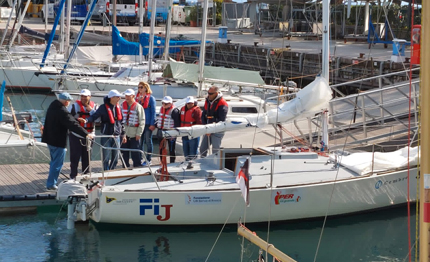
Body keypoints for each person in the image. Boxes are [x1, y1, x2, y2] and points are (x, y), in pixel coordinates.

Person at [42, 93, 92, 191]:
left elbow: (64, 119)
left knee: (53, 162)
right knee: (57, 164)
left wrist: (76, 119)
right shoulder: (62, 111)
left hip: (49, 139)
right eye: (68, 101)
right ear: (66, 102)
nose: (69, 103)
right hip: (58, 141)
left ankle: (51, 182)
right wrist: (86, 134)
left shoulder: (53, 106)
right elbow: (71, 124)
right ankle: (51, 184)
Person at [81, 90, 125, 171]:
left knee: (116, 158)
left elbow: (121, 122)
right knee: (106, 158)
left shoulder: (119, 107)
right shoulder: (103, 107)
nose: (119, 98)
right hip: (106, 135)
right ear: (112, 98)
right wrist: (86, 120)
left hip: (117, 136)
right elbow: (94, 116)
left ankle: (111, 172)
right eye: (117, 97)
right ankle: (106, 172)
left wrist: (123, 134)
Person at [68, 89, 98, 179]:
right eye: (82, 96)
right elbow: (68, 118)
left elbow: (98, 120)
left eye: (85, 96)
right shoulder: (74, 106)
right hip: (76, 135)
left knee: (87, 157)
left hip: (89, 135)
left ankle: (86, 175)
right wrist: (77, 120)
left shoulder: (95, 107)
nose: (83, 98)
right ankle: (73, 176)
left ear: (90, 97)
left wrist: (91, 110)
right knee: (74, 157)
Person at [200, 86, 228, 157]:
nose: (209, 95)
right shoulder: (207, 101)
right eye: (208, 93)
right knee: (202, 148)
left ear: (216, 93)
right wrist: (205, 127)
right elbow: (203, 114)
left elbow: (221, 119)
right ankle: (202, 161)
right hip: (208, 128)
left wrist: (211, 129)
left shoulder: (222, 103)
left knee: (215, 150)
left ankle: (216, 163)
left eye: (211, 93)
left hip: (217, 129)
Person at [120, 89, 145, 167]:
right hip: (124, 133)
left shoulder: (138, 107)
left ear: (133, 96)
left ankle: (137, 166)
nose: (127, 97)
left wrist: (139, 133)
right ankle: (125, 166)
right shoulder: (121, 105)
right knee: (124, 152)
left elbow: (142, 121)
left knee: (136, 152)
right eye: (126, 95)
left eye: (129, 95)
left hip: (134, 133)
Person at [136, 81, 156, 166]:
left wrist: (152, 124)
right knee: (140, 142)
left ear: (145, 88)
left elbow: (153, 112)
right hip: (141, 123)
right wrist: (140, 101)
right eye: (138, 87)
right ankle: (140, 158)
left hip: (148, 123)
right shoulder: (138, 99)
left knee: (148, 141)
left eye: (141, 87)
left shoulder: (151, 98)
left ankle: (148, 159)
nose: (139, 89)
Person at [156, 96, 181, 163]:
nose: (164, 105)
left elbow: (177, 124)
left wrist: (174, 134)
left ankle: (172, 162)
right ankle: (162, 162)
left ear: (170, 103)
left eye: (166, 104)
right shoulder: (162, 109)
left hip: (171, 132)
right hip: (161, 130)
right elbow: (159, 119)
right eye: (163, 103)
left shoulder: (174, 111)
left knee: (171, 149)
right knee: (161, 148)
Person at [180, 96, 202, 161]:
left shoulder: (197, 110)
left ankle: (193, 163)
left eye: (191, 103)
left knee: (193, 151)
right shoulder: (182, 109)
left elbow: (199, 122)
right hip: (184, 132)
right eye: (188, 103)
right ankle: (187, 161)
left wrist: (197, 131)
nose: (190, 104)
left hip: (193, 133)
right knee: (185, 150)